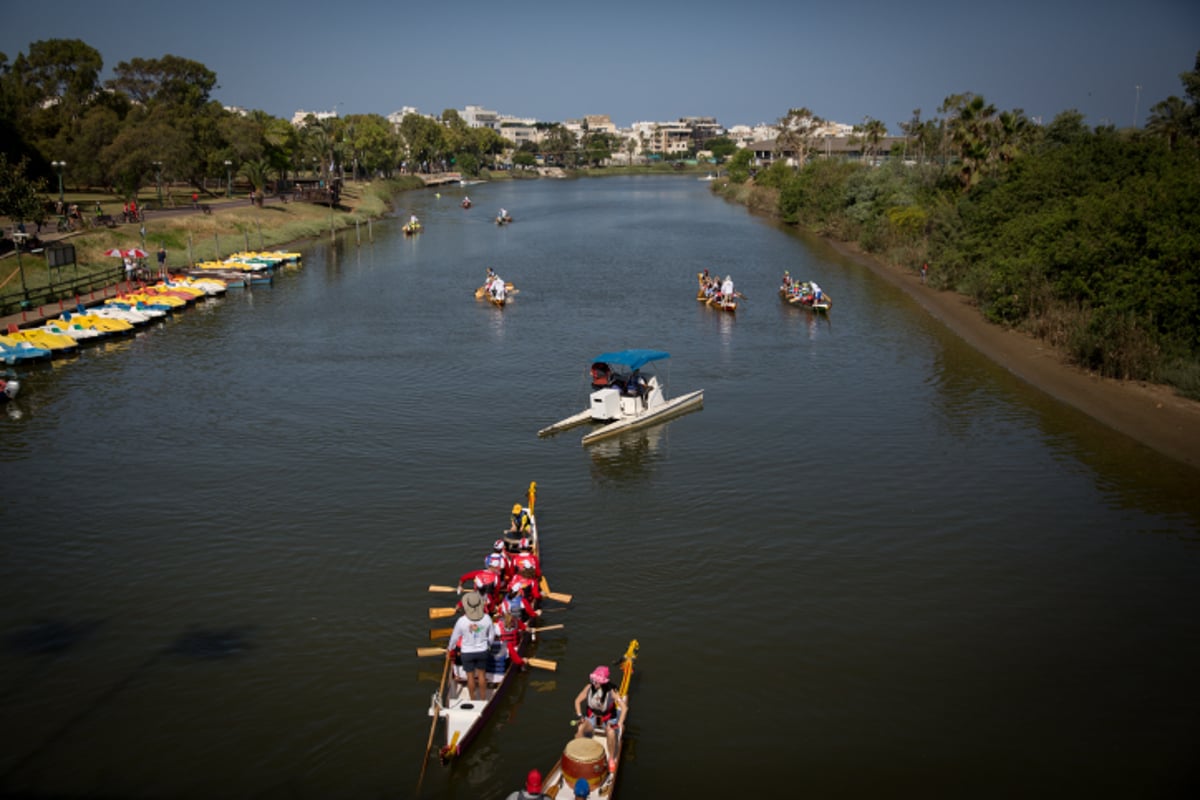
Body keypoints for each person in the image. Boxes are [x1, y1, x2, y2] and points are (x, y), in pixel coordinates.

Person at [574, 664, 627, 772]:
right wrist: (580, 716)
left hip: (608, 719)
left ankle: (611, 758)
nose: (594, 683)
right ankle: (578, 754)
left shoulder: (612, 692)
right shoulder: (589, 688)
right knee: (580, 729)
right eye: (593, 680)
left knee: (611, 732)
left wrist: (620, 723)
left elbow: (624, 708)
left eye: (596, 681)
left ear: (602, 682)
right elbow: (577, 701)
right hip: (593, 718)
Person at [446, 590, 495, 701]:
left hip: (467, 652)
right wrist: (488, 645)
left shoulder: (461, 621)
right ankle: (483, 699)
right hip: (482, 651)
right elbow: (492, 636)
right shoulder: (487, 618)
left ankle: (472, 699)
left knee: (470, 677)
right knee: (482, 676)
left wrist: (449, 649)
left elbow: (454, 638)